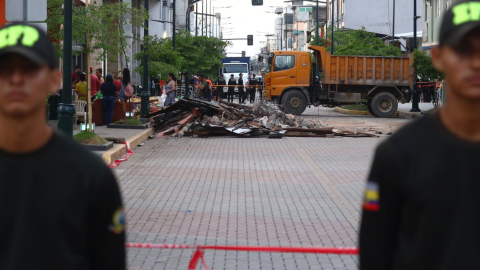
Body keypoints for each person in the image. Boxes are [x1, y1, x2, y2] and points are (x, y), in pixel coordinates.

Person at [360, 2, 480, 269]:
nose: (476, 62)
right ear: (438, 56)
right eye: (464, 49)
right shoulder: (399, 155)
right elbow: (375, 254)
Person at [0, 24, 125, 269]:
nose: (16, 78)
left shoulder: (91, 176)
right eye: (4, 69)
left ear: (54, 80)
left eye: (29, 68)